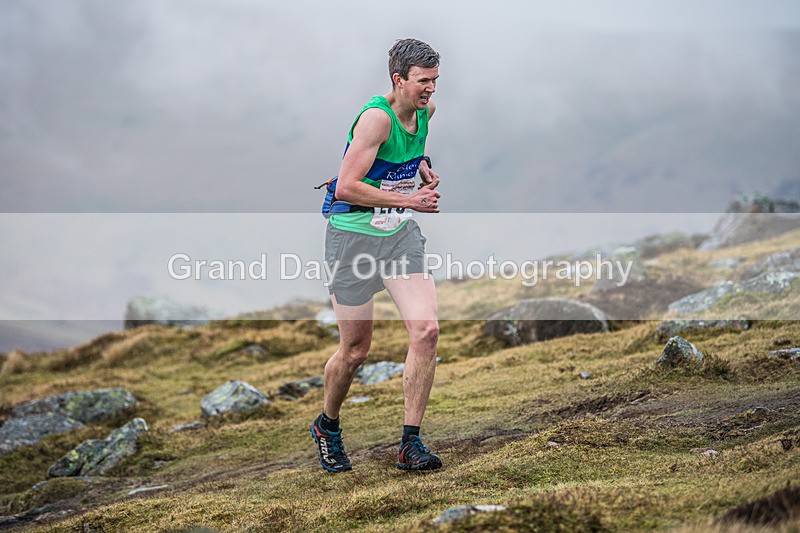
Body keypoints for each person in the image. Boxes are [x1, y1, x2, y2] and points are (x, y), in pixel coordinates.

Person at [311, 38, 443, 473]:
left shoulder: (425, 112)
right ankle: (327, 426)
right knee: (355, 350)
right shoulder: (375, 120)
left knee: (425, 331)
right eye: (423, 82)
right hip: (352, 238)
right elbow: (347, 186)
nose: (430, 90)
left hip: (398, 237)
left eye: (435, 81)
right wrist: (409, 201)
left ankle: (410, 444)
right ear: (398, 79)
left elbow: (407, 153)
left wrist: (421, 168)